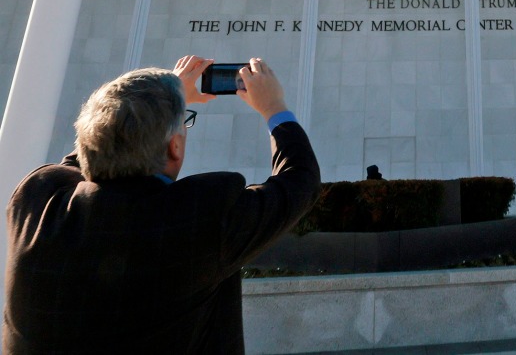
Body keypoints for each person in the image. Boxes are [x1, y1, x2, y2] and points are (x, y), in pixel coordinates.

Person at [3, 55, 321, 354]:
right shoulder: (200, 220)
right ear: (175, 146)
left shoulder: (35, 202)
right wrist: (274, 107)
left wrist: (163, 100)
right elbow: (300, 180)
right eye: (185, 123)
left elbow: (88, 156)